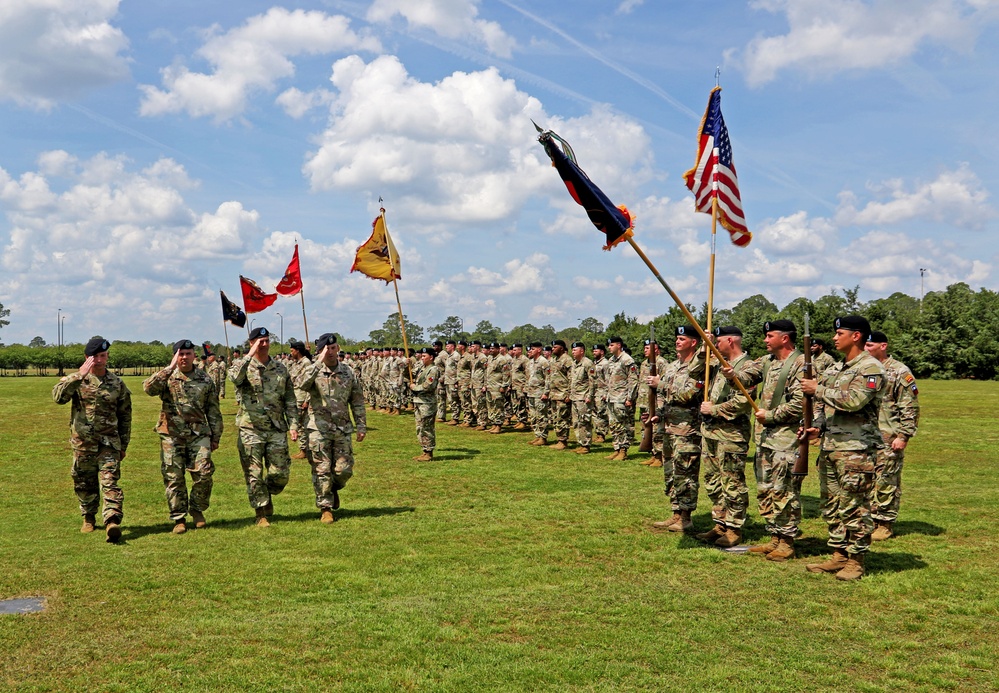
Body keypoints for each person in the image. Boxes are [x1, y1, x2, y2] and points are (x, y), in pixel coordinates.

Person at [801, 316, 886, 581]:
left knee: (854, 506)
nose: (835, 338)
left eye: (840, 333)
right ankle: (839, 554)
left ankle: (856, 561)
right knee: (832, 504)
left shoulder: (871, 367)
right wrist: (817, 426)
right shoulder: (837, 367)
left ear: (857, 336)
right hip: (831, 446)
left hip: (856, 449)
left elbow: (855, 401)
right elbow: (825, 408)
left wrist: (818, 389)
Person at [729, 320, 806, 561]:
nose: (765, 340)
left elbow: (799, 404)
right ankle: (774, 537)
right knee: (766, 490)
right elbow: (745, 377)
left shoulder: (800, 364)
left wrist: (770, 415)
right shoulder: (767, 361)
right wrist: (732, 374)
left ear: (784, 338)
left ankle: (787, 541)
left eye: (769, 336)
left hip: (786, 439)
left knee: (784, 490)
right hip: (764, 438)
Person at [52, 337, 132, 542]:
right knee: (83, 482)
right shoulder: (77, 380)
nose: (99, 360)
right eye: (95, 356)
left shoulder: (116, 383)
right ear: (87, 358)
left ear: (107, 357)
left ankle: (111, 520)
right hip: (83, 443)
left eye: (103, 356)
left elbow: (125, 415)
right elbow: (58, 398)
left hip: (109, 443)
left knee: (110, 481)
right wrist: (80, 375)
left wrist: (123, 444)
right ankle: (88, 517)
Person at [142, 339, 223, 533]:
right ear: (175, 356)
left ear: (194, 355)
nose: (184, 357)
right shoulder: (167, 377)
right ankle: (178, 518)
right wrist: (168, 368)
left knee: (204, 473)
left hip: (198, 433)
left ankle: (196, 509)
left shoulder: (205, 379)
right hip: (171, 434)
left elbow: (213, 409)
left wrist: (216, 436)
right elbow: (148, 388)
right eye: (180, 354)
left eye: (188, 353)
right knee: (174, 477)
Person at [229, 327, 299, 527]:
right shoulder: (242, 366)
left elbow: (290, 399)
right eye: (260, 341)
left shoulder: (280, 368)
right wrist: (249, 355)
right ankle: (261, 512)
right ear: (251, 343)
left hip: (276, 427)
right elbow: (234, 378)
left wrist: (293, 424)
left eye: (267, 340)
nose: (264, 344)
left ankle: (267, 493)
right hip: (250, 428)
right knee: (254, 473)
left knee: (280, 473)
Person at [293, 333, 366, 521]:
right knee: (321, 469)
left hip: (342, 428)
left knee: (344, 470)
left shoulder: (348, 372)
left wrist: (361, 425)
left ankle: (333, 488)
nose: (331, 352)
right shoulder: (313, 370)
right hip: (319, 428)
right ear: (320, 351)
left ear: (338, 349)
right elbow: (301, 384)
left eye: (334, 348)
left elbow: (357, 400)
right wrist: (317, 362)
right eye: (327, 349)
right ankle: (325, 507)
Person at [693, 327, 754, 548]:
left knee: (732, 481)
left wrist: (715, 409)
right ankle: (720, 522)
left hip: (731, 433)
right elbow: (694, 370)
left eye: (718, 341)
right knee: (713, 480)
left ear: (731, 340)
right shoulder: (717, 363)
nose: (716, 345)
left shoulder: (749, 367)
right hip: (710, 432)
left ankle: (734, 528)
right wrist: (704, 346)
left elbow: (744, 401)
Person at [865, 330, 920, 540]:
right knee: (867, 479)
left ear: (883, 346)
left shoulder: (898, 371)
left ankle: (885, 523)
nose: (866, 349)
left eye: (870, 346)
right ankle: (870, 518)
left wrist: (904, 435)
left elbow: (910, 407)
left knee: (886, 479)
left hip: (889, 436)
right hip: (866, 435)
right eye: (865, 346)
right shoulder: (866, 369)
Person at [649, 326, 702, 532]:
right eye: (677, 338)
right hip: (670, 427)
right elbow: (669, 398)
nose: (678, 341)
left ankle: (686, 517)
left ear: (694, 342)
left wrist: (660, 384)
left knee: (686, 472)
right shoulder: (672, 366)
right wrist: (658, 414)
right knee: (671, 472)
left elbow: (688, 394)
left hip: (687, 429)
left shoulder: (697, 367)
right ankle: (676, 512)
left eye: (682, 338)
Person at [604, 336, 638, 460]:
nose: (609, 347)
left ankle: (623, 450)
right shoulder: (611, 360)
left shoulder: (627, 360)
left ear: (619, 345)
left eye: (611, 345)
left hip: (622, 398)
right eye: (608, 345)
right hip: (611, 397)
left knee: (623, 425)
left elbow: (633, 380)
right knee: (613, 425)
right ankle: (617, 448)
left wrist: (630, 398)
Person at [638, 339, 669, 467]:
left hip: (656, 400)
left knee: (657, 429)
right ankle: (652, 453)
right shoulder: (644, 363)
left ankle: (659, 456)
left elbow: (663, 382)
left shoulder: (661, 363)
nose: (645, 350)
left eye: (648, 348)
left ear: (656, 349)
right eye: (644, 348)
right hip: (644, 399)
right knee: (646, 427)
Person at [410, 347, 441, 460]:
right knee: (420, 427)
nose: (422, 358)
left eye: (424, 356)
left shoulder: (433, 369)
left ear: (431, 357)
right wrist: (406, 364)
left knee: (426, 427)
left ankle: (429, 452)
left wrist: (415, 387)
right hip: (418, 401)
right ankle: (424, 450)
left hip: (427, 403)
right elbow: (409, 373)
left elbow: (429, 385)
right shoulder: (422, 368)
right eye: (421, 356)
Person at [286, 340, 313, 461]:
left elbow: (310, 383)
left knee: (302, 425)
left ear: (297, 350)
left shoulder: (306, 363)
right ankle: (303, 449)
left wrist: (307, 400)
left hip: (302, 398)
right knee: (299, 424)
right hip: (296, 397)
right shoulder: (296, 363)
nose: (291, 353)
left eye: (292, 351)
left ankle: (304, 450)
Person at [569, 341, 596, 453]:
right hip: (575, 397)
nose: (573, 352)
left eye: (575, 350)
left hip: (584, 397)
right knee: (576, 422)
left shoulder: (587, 363)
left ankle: (586, 445)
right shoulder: (574, 363)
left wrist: (589, 396)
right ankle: (581, 442)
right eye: (572, 350)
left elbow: (593, 381)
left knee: (584, 421)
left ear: (582, 351)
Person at [547, 340, 574, 450]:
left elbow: (571, 377)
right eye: (553, 347)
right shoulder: (554, 360)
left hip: (563, 394)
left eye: (555, 347)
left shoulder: (567, 360)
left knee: (562, 418)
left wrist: (568, 393)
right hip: (554, 394)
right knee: (556, 418)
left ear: (562, 348)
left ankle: (563, 441)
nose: (553, 349)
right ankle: (559, 439)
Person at [484, 342, 512, 433]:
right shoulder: (490, 358)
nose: (491, 350)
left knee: (498, 406)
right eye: (490, 348)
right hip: (490, 386)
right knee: (491, 406)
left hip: (497, 386)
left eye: (493, 349)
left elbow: (506, 374)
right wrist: (485, 385)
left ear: (497, 349)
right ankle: (494, 424)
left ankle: (499, 425)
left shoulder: (502, 359)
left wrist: (504, 386)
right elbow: (487, 373)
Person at [526, 342, 551, 445]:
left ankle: (543, 437)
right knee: (533, 416)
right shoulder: (530, 362)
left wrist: (546, 392)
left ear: (539, 350)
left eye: (533, 349)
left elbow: (548, 378)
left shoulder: (543, 362)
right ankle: (537, 435)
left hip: (540, 393)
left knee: (541, 416)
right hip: (531, 393)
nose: (530, 350)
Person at [591, 343, 609, 444]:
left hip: (602, 391)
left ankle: (602, 434)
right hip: (594, 391)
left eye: (596, 351)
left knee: (601, 413)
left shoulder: (605, 364)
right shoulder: (594, 363)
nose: (594, 352)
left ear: (602, 352)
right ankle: (597, 433)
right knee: (595, 414)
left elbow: (607, 379)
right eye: (593, 351)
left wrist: (606, 393)